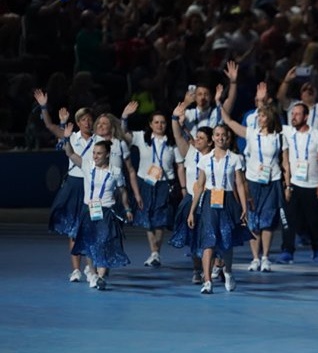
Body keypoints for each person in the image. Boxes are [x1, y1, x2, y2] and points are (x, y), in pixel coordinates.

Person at [221, 97, 288, 273]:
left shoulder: (280, 137)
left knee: (267, 221)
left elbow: (286, 163)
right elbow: (228, 121)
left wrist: (288, 186)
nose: (259, 118)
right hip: (252, 180)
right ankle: (255, 258)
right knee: (253, 220)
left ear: (270, 118)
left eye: (263, 116)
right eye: (258, 115)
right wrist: (219, 102)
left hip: (272, 181)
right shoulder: (251, 133)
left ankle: (265, 256)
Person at [34, 90, 96, 282]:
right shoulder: (71, 136)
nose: (87, 122)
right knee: (73, 229)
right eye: (83, 120)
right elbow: (49, 125)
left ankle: (91, 269)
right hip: (73, 185)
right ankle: (76, 270)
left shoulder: (99, 140)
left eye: (89, 119)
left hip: (92, 186)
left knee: (91, 228)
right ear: (77, 123)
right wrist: (44, 106)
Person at [187, 124, 251, 294]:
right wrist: (192, 210)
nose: (220, 137)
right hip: (209, 200)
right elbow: (199, 186)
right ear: (213, 138)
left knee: (226, 240)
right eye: (217, 135)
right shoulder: (204, 159)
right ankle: (207, 281)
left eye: (223, 135)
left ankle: (228, 271)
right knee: (208, 240)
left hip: (228, 200)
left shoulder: (236, 158)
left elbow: (239, 184)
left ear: (227, 137)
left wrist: (244, 207)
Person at [63, 139, 134, 291]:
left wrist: (127, 208)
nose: (95, 156)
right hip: (88, 210)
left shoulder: (115, 171)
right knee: (90, 243)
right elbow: (70, 153)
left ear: (107, 154)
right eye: (94, 153)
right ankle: (93, 273)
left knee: (104, 242)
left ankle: (101, 276)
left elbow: (122, 191)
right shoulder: (87, 166)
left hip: (106, 211)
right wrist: (66, 138)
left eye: (99, 153)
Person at [121, 102, 178, 268]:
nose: (160, 125)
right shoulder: (141, 137)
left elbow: (180, 165)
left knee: (159, 220)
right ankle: (154, 252)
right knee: (147, 218)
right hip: (145, 182)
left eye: (163, 122)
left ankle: (155, 253)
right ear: (150, 124)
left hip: (164, 184)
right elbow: (123, 133)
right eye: (156, 122)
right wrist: (125, 116)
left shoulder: (172, 142)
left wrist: (181, 187)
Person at [277, 102, 318, 264]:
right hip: (293, 183)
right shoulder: (286, 132)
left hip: (312, 184)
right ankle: (287, 250)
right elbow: (271, 119)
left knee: (313, 221)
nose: (294, 117)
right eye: (292, 114)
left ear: (306, 117)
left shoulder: (317, 135)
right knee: (289, 219)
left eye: (298, 114)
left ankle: (317, 250)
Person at [169, 103, 212, 283]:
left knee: (210, 236)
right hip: (191, 200)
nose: (197, 139)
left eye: (202, 138)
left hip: (209, 199)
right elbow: (178, 134)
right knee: (194, 237)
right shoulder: (189, 151)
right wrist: (174, 118)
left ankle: (214, 267)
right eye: (197, 137)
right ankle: (197, 270)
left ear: (210, 142)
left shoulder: (215, 156)